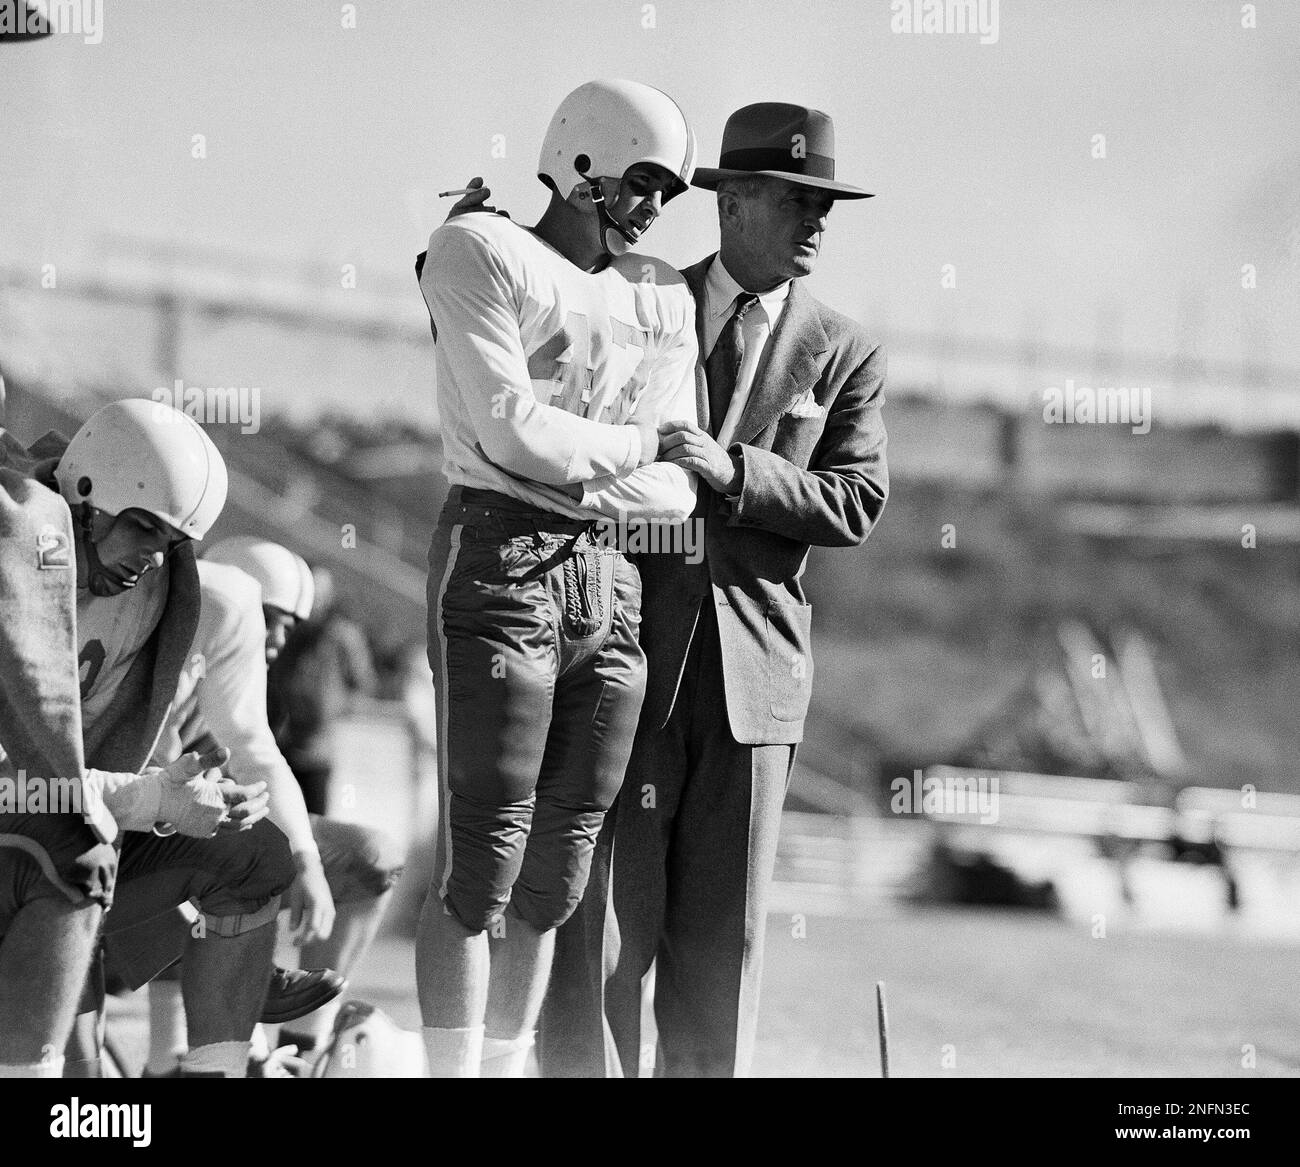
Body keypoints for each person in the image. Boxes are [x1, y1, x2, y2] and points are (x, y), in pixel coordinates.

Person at [540, 102, 890, 1077]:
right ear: (731, 200)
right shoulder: (638, 299)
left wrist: (731, 470)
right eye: (794, 199)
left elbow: (855, 501)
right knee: (605, 932)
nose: (815, 222)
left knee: (719, 950)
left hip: (752, 690)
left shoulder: (844, 350)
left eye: (825, 203)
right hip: (627, 663)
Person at [414, 78, 701, 1077]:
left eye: (670, 188)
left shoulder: (659, 294)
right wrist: (633, 447)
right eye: (644, 180)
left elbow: (678, 490)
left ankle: (503, 1072)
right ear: (581, 161)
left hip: (607, 577)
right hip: (499, 557)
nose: (656, 206)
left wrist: (589, 472)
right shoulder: (478, 249)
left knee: (556, 872)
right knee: (478, 861)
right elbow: (509, 432)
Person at [132, 537, 404, 1074]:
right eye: (270, 618)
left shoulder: (245, 672)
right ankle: (167, 1059)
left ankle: (302, 1050)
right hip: (110, 847)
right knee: (211, 854)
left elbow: (258, 758)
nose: (277, 638)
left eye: (288, 625)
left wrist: (305, 858)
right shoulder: (151, 642)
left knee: (373, 856)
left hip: (180, 844)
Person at [267, 568, 376, 816]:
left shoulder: (343, 636)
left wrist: (331, 710)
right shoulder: (285, 629)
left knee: (314, 823)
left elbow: (363, 683)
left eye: (319, 594)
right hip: (278, 742)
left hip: (317, 749)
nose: (314, 601)